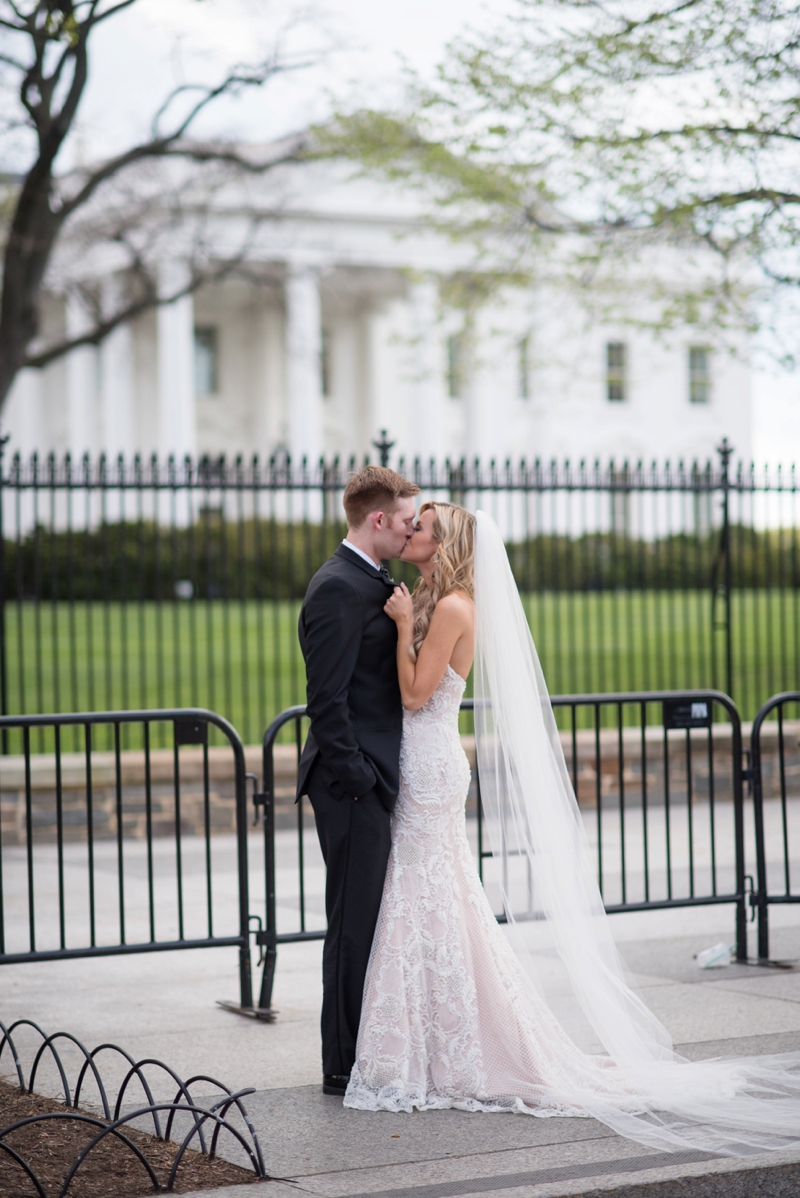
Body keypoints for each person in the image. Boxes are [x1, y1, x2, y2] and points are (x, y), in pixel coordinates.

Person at [344, 502, 800, 1158]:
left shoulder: (451, 608)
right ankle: (434, 1041)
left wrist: (394, 630)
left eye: (424, 526)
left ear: (445, 545)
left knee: (428, 896)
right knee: (438, 901)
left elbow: (416, 695)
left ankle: (438, 1048)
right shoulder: (433, 597)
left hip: (430, 761)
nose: (411, 530)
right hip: (423, 760)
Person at [297, 465, 420, 1097]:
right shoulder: (338, 587)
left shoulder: (371, 580)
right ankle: (340, 1065)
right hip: (351, 784)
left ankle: (364, 1050)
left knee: (370, 920)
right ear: (377, 519)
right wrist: (359, 780)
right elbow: (326, 699)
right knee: (352, 923)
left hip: (371, 777)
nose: (411, 531)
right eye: (405, 521)